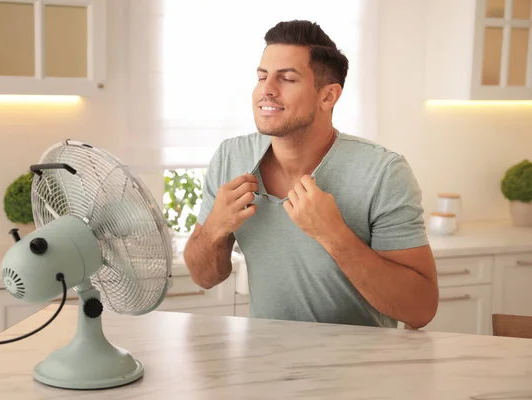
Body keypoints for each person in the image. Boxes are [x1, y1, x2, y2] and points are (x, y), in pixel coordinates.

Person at [183, 20, 438, 329]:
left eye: (286, 78)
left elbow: (420, 309)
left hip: (360, 370)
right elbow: (205, 277)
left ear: (328, 97)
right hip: (266, 363)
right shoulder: (231, 157)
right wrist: (214, 228)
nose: (267, 90)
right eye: (262, 76)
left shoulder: (383, 173)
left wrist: (335, 236)